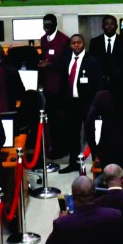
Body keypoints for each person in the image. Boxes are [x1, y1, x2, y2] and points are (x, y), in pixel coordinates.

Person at [45, 176, 123, 244]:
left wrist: (61, 219)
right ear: (94, 192)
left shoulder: (63, 223)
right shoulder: (114, 216)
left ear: (73, 195)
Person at [59, 34, 103, 173]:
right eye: (74, 43)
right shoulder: (66, 59)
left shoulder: (92, 61)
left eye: (79, 42)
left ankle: (97, 162)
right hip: (71, 103)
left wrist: (97, 104)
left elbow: (99, 84)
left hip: (88, 103)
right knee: (72, 134)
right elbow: (63, 82)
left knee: (91, 133)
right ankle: (73, 163)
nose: (76, 45)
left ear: (84, 44)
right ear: (70, 45)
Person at [83, 73, 123, 169]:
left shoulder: (101, 97)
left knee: (109, 175)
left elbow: (88, 123)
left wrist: (94, 149)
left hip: (107, 147)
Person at [39, 14, 70, 157]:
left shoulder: (64, 40)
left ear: (55, 24)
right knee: (51, 119)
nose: (47, 28)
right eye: (45, 25)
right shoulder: (43, 39)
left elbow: (66, 64)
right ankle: (54, 147)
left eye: (49, 25)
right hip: (48, 86)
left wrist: (49, 64)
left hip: (60, 87)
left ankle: (62, 149)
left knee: (60, 120)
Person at [88, 14, 123, 88]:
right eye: (106, 24)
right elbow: (91, 62)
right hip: (99, 83)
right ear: (102, 26)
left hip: (120, 82)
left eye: (112, 24)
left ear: (116, 26)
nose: (109, 26)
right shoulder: (95, 42)